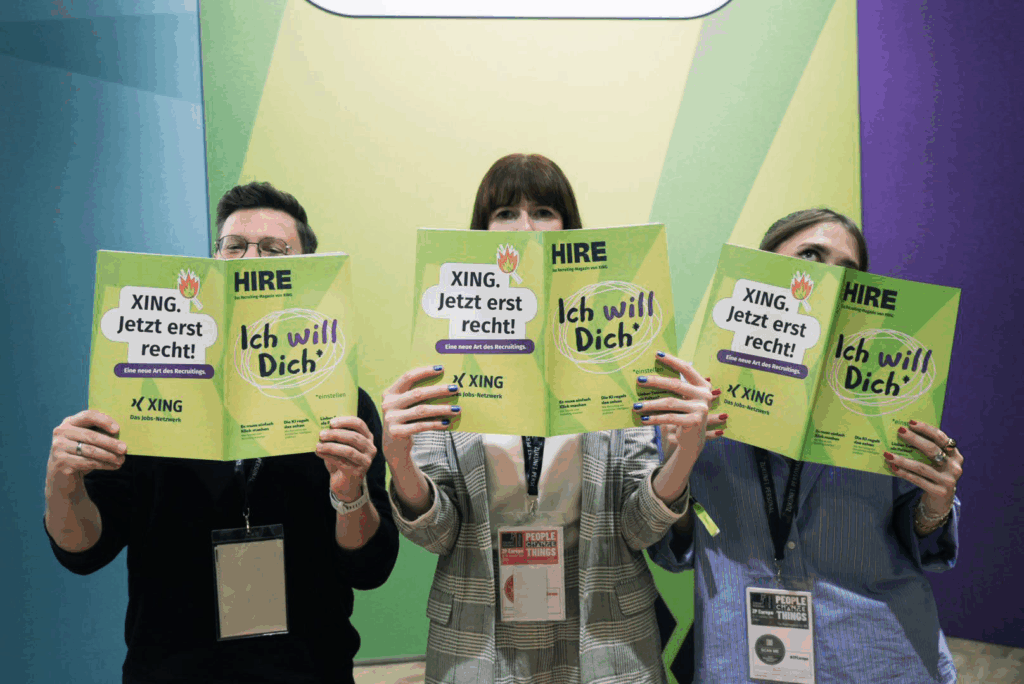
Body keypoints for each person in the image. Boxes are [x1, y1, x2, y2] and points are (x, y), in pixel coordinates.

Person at [381, 153, 723, 684]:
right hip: (478, 635)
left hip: (606, 633)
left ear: (568, 226)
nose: (526, 229)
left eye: (543, 210)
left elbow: (639, 528)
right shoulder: (445, 359)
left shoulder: (616, 354)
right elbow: (437, 535)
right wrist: (400, 461)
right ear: (482, 233)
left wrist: (683, 455)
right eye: (504, 214)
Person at [44, 181, 399, 684]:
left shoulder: (342, 402)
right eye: (234, 247)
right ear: (215, 260)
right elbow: (82, 551)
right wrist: (62, 482)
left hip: (308, 669)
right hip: (169, 671)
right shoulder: (144, 391)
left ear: (305, 274)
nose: (250, 258)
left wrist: (348, 495)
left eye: (274, 250)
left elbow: (371, 567)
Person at [649, 208, 963, 684]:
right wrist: (678, 462)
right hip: (744, 657)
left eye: (847, 271)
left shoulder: (886, 389)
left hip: (876, 653)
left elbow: (920, 535)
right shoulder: (697, 396)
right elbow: (674, 549)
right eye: (811, 254)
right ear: (762, 270)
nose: (826, 276)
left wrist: (936, 506)